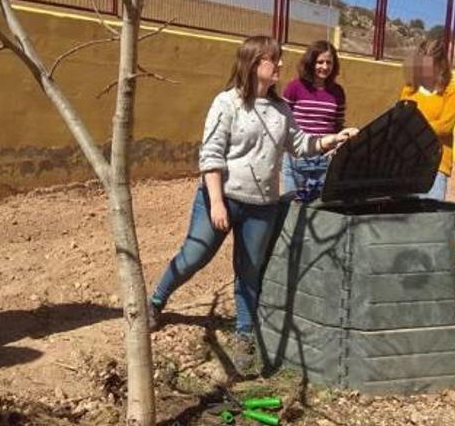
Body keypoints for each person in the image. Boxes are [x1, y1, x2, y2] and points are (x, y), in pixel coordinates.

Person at [148, 35, 357, 374]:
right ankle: (156, 300)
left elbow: (300, 145)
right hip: (222, 198)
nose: (280, 65)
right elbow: (211, 155)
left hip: (262, 205)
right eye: (273, 59)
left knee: (249, 270)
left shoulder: (280, 110)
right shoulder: (227, 103)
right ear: (254, 63)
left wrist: (333, 138)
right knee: (194, 256)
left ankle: (243, 336)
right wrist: (216, 202)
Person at [399, 36, 455, 200]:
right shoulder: (409, 90)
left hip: (437, 164)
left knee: (430, 218)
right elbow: (400, 122)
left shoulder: (453, 91)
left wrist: (414, 126)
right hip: (407, 162)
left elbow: (444, 127)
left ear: (441, 65)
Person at [282, 40, 346, 201]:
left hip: (324, 162)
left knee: (319, 210)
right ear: (311, 62)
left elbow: (337, 125)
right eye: (320, 62)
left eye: (329, 63)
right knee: (293, 211)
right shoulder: (294, 87)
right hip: (296, 160)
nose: (324, 67)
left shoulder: (338, 92)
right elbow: (283, 121)